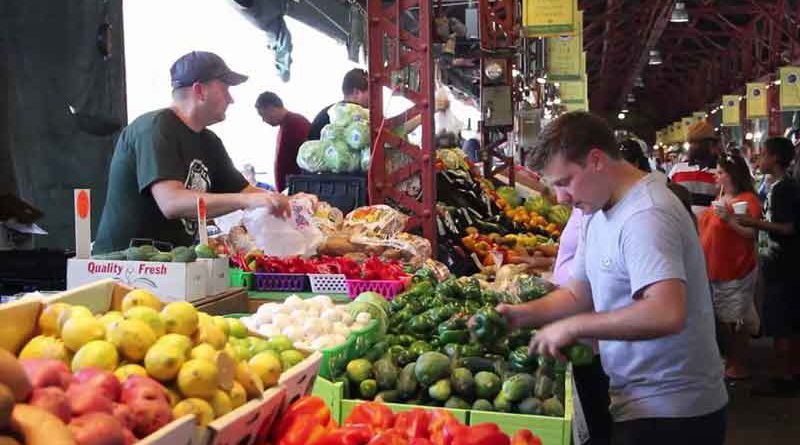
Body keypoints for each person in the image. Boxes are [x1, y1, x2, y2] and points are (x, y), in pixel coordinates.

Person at [494, 111, 727, 444]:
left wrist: (574, 326)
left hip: (674, 412)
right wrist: (521, 315)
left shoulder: (647, 214)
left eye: (564, 182)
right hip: (636, 399)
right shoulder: (596, 210)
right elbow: (579, 293)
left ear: (596, 160)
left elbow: (666, 312)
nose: (561, 198)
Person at [94, 51, 290, 253]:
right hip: (124, 266)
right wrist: (247, 201)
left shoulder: (209, 141)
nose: (231, 99)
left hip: (173, 263)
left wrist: (290, 202)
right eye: (224, 89)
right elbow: (171, 202)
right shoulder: (155, 128)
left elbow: (245, 190)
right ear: (200, 91)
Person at [736, 137, 800, 396]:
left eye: (762, 154)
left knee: (782, 324)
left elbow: (788, 227)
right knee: (784, 322)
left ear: (774, 158)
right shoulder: (778, 186)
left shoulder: (786, 189)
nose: (758, 159)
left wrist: (753, 223)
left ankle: (784, 377)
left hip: (784, 265)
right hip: (779, 264)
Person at [698, 153, 761, 381]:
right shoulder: (722, 196)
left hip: (736, 269)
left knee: (734, 320)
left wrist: (729, 220)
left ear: (732, 175)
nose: (717, 174)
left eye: (721, 171)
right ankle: (733, 359)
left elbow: (750, 233)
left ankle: (739, 363)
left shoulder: (747, 201)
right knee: (727, 318)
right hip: (716, 269)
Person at [255, 91, 310, 192]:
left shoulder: (297, 123)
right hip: (289, 190)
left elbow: (308, 162)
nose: (263, 120)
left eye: (263, 115)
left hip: (299, 190)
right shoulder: (285, 125)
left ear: (271, 108)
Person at [669, 121, 721, 215]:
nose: (694, 146)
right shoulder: (677, 169)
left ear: (710, 144)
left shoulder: (721, 171)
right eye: (692, 143)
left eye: (698, 142)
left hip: (711, 227)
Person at [307, 68, 369, 141]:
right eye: (370, 93)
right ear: (356, 93)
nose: (373, 98)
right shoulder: (356, 118)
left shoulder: (327, 113)